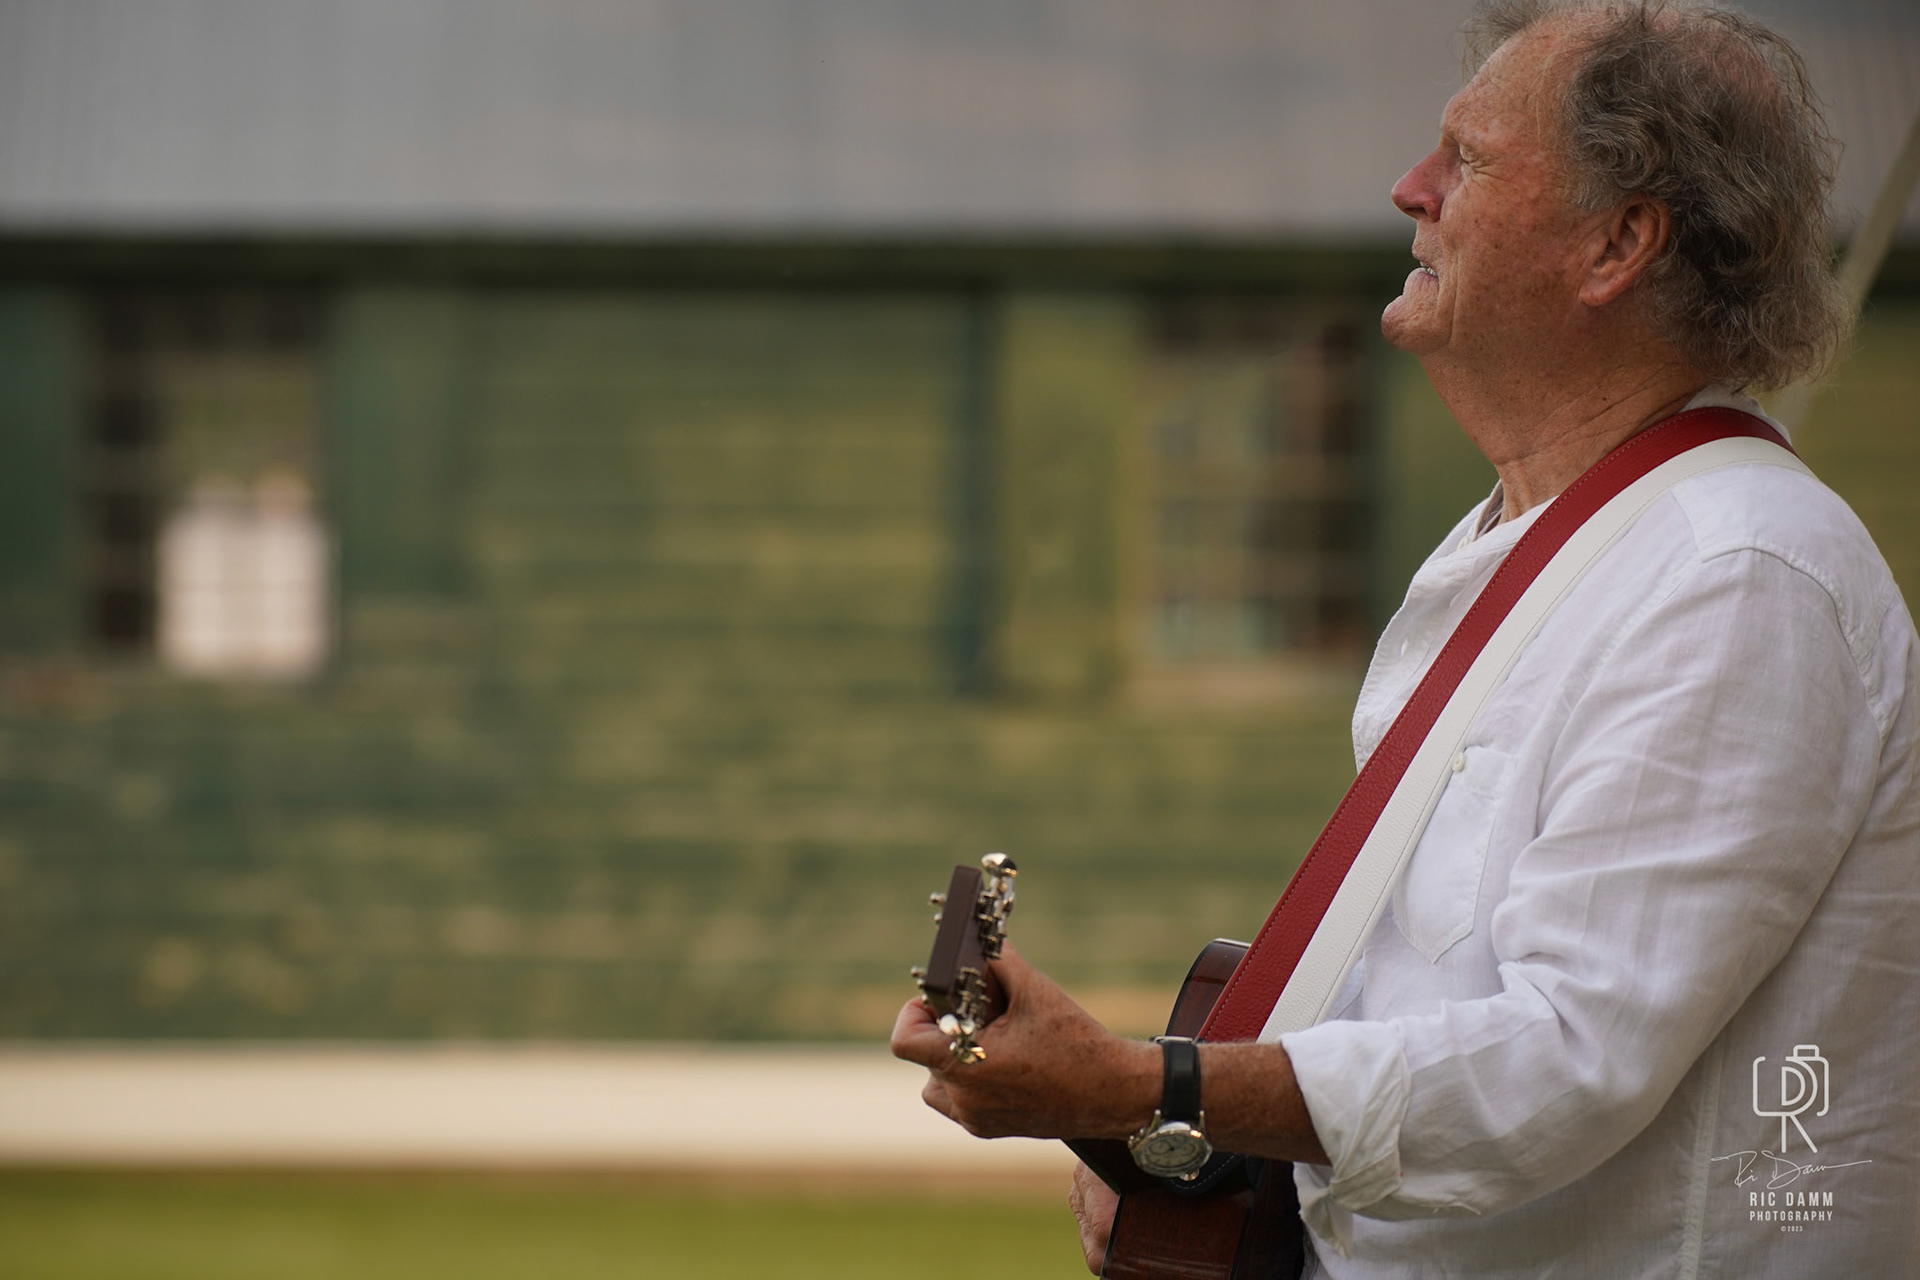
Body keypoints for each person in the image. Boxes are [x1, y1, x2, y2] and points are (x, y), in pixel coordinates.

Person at [891, 1, 1920, 1275]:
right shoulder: (1545, 536)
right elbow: (1417, 991)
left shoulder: (1738, 574)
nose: (1409, 188)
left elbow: (1564, 1058)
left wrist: (1148, 1085)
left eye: (1468, 158)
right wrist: (1175, 1145)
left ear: (1617, 242)